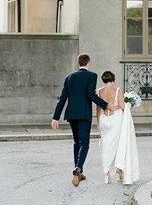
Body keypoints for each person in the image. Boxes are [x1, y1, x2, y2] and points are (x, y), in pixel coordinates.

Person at [51, 53, 116, 187]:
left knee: (76, 142)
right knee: (84, 143)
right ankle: (78, 168)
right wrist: (106, 105)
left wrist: (55, 117)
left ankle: (78, 172)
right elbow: (90, 95)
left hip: (71, 115)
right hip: (84, 114)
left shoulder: (69, 77)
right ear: (88, 63)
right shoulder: (91, 76)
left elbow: (62, 99)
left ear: (78, 63)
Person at [96, 70, 124, 184]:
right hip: (115, 120)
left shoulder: (99, 91)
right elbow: (122, 106)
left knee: (106, 145)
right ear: (113, 79)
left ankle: (106, 173)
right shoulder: (117, 90)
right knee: (117, 145)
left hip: (103, 119)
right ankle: (118, 171)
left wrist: (98, 123)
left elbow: (98, 109)